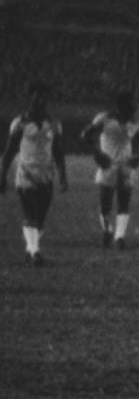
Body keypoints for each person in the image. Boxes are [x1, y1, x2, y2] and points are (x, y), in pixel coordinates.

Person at [0, 82, 69, 265]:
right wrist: (3, 175)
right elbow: (9, 151)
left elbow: (58, 151)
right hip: (26, 175)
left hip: (46, 176)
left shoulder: (54, 124)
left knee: (40, 219)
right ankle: (36, 253)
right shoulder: (20, 123)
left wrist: (63, 175)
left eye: (44, 96)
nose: (41, 99)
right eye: (37, 95)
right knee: (31, 213)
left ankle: (31, 248)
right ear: (30, 97)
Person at [81, 90, 139, 249]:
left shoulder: (134, 123)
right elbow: (86, 135)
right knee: (106, 204)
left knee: (124, 203)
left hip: (126, 166)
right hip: (108, 165)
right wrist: (97, 153)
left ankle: (119, 237)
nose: (135, 107)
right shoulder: (104, 119)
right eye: (131, 103)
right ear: (121, 105)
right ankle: (107, 230)